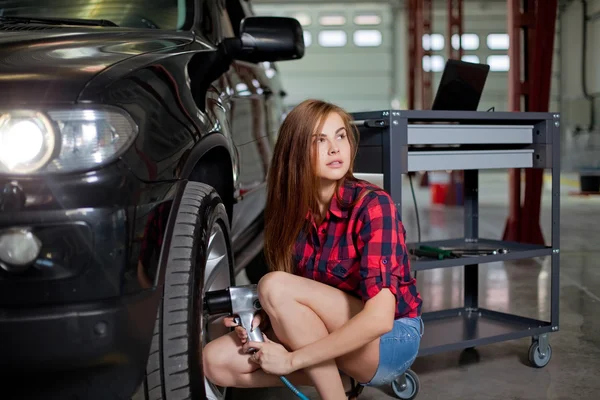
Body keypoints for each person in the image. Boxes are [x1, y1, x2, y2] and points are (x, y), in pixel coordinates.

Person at [203, 99, 423, 400]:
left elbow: (380, 319)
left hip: (390, 340)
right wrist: (261, 321)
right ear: (296, 153)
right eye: (320, 140)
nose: (335, 148)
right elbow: (301, 302)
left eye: (340, 135)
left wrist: (290, 360)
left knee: (274, 285)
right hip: (337, 335)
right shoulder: (292, 216)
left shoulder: (373, 205)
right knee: (214, 361)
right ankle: (341, 381)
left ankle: (334, 396)